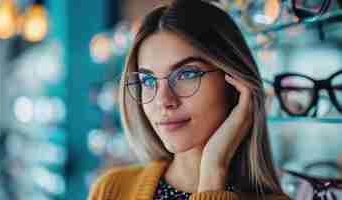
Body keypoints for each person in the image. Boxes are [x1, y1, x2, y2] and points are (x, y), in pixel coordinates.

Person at [88, 0, 290, 199]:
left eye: (187, 75)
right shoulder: (112, 190)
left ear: (234, 83)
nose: (163, 100)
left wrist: (213, 171)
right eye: (148, 80)